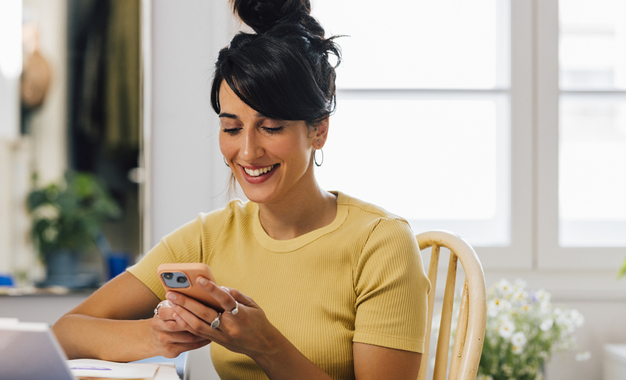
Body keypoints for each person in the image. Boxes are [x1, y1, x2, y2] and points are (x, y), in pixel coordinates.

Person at [52, 1, 429, 379]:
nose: (247, 152)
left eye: (271, 127)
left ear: (319, 130)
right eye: (232, 128)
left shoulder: (381, 244)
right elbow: (65, 334)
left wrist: (265, 344)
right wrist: (156, 337)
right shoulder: (210, 237)